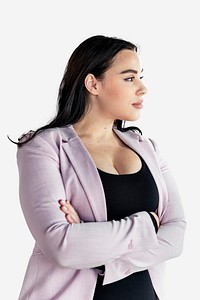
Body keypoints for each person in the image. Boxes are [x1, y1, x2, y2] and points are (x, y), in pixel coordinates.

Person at [13, 35, 186, 300]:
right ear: (93, 83)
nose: (143, 88)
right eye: (129, 78)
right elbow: (62, 245)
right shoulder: (43, 147)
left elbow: (175, 237)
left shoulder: (148, 149)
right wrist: (147, 224)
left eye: (140, 76)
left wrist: (93, 246)